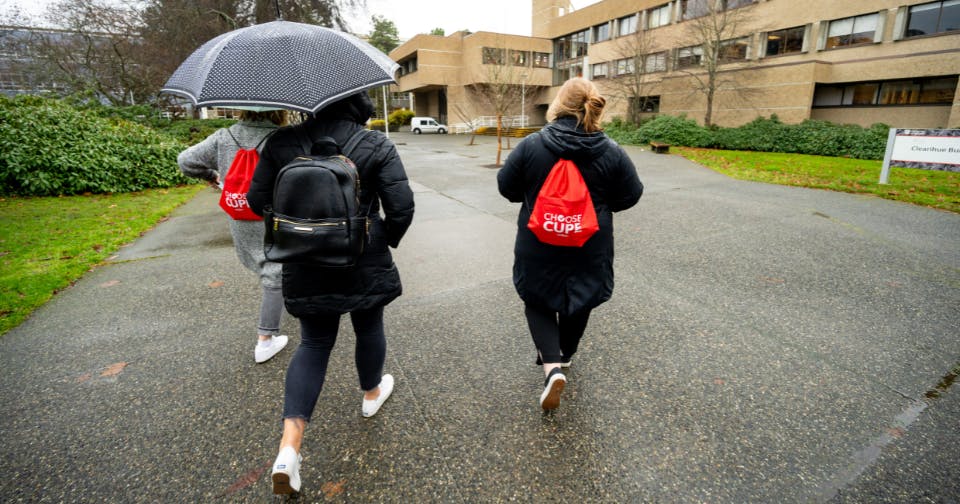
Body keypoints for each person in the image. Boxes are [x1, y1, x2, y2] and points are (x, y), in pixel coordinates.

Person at [246, 92, 415, 495]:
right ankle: (371, 393)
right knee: (369, 327)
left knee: (315, 342)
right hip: (362, 257)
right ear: (358, 104)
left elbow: (256, 202)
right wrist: (378, 239)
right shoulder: (375, 144)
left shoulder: (281, 142)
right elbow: (402, 206)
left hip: (304, 258)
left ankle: (289, 448)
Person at [497, 77, 643, 411]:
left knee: (537, 297)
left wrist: (534, 198)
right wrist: (600, 208)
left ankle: (552, 368)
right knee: (583, 295)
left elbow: (506, 187)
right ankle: (565, 355)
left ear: (559, 104)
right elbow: (632, 194)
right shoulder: (611, 150)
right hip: (590, 241)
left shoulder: (532, 145)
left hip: (539, 238)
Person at [177, 108, 291, 364]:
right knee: (274, 269)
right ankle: (265, 339)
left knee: (268, 266)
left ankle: (281, 308)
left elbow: (185, 161)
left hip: (240, 212)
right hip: (276, 212)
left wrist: (212, 176)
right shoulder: (283, 137)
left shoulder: (224, 136)